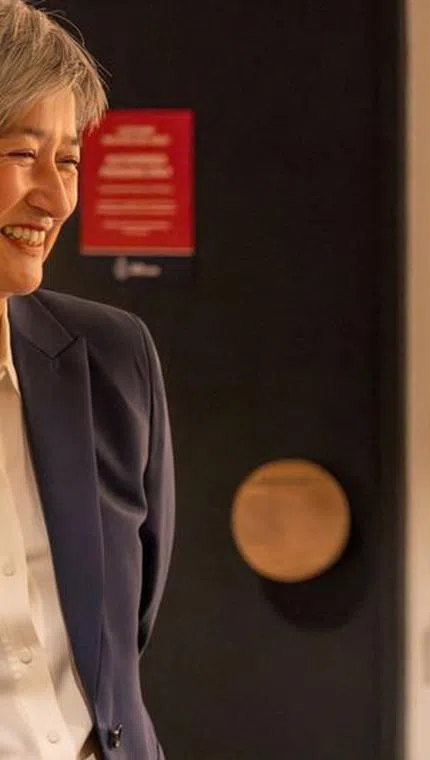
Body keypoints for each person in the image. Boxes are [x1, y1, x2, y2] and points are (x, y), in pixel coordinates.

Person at [0, 1, 174, 757]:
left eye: (67, 159)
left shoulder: (111, 357)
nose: (57, 197)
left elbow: (124, 634)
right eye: (20, 155)